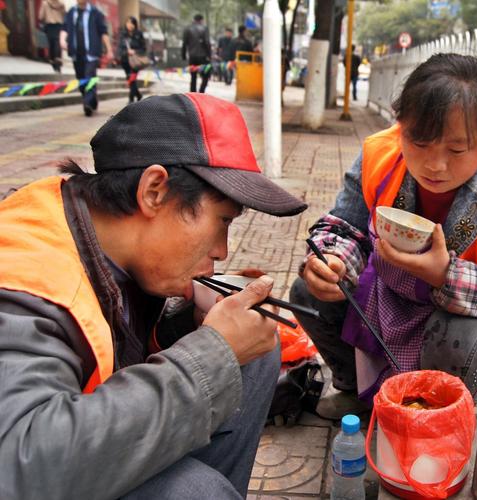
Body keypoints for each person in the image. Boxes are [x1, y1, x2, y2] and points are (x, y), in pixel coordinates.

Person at [0, 93, 308, 499]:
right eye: (222, 222)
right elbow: (21, 463)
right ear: (154, 191)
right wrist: (209, 354)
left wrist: (187, 324)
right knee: (194, 492)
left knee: (254, 351)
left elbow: (114, 348)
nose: (222, 251)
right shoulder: (26, 283)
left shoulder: (105, 234)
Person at [289, 53, 477, 419]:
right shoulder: (382, 154)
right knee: (307, 293)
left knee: (470, 341)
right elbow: (346, 225)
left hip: (450, 314)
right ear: (402, 125)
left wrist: (446, 275)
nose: (435, 165)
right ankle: (356, 394)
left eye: (457, 149)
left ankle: (431, 418)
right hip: (384, 292)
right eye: (420, 142)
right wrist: (333, 260)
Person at [60, 0, 113, 117]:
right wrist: (62, 40)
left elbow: (103, 32)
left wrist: (109, 50)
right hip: (76, 53)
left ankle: (87, 103)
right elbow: (64, 28)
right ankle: (91, 100)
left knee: (89, 76)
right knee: (81, 80)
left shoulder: (96, 13)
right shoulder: (71, 12)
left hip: (92, 53)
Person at [117, 16, 146, 103]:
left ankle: (131, 99)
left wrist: (135, 51)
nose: (130, 25)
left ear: (135, 25)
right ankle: (138, 95)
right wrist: (126, 52)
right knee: (129, 78)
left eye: (132, 23)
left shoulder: (139, 34)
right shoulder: (122, 34)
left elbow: (143, 49)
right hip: (125, 60)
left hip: (135, 61)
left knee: (132, 78)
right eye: (128, 23)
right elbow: (120, 48)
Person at [182, 14, 212, 93]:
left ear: (193, 19)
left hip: (192, 56)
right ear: (202, 20)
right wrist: (209, 55)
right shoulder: (205, 28)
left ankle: (193, 93)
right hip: (203, 56)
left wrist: (184, 55)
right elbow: (207, 42)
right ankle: (201, 91)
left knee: (193, 76)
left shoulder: (187, 28)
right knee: (205, 75)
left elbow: (184, 43)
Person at [38, 0, 66, 73]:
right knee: (58, 43)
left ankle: (53, 61)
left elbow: (41, 16)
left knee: (52, 44)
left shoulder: (45, 3)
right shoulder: (61, 4)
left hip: (50, 26)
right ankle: (58, 60)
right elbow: (64, 15)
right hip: (59, 26)